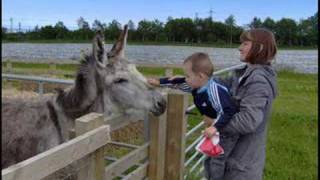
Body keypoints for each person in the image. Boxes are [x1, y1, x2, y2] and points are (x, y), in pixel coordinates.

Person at [147, 52, 239, 179]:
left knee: (218, 160)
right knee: (210, 159)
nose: (185, 78)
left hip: (224, 132)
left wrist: (214, 127)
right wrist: (158, 82)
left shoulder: (214, 90)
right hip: (214, 130)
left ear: (200, 76)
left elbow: (229, 111)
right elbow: (178, 82)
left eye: (187, 75)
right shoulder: (197, 85)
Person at [206, 28, 278, 180]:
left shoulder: (258, 80)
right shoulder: (244, 74)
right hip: (233, 162)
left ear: (259, 48)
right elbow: (217, 83)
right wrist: (186, 80)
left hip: (240, 169)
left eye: (245, 44)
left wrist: (216, 124)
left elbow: (248, 121)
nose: (240, 48)